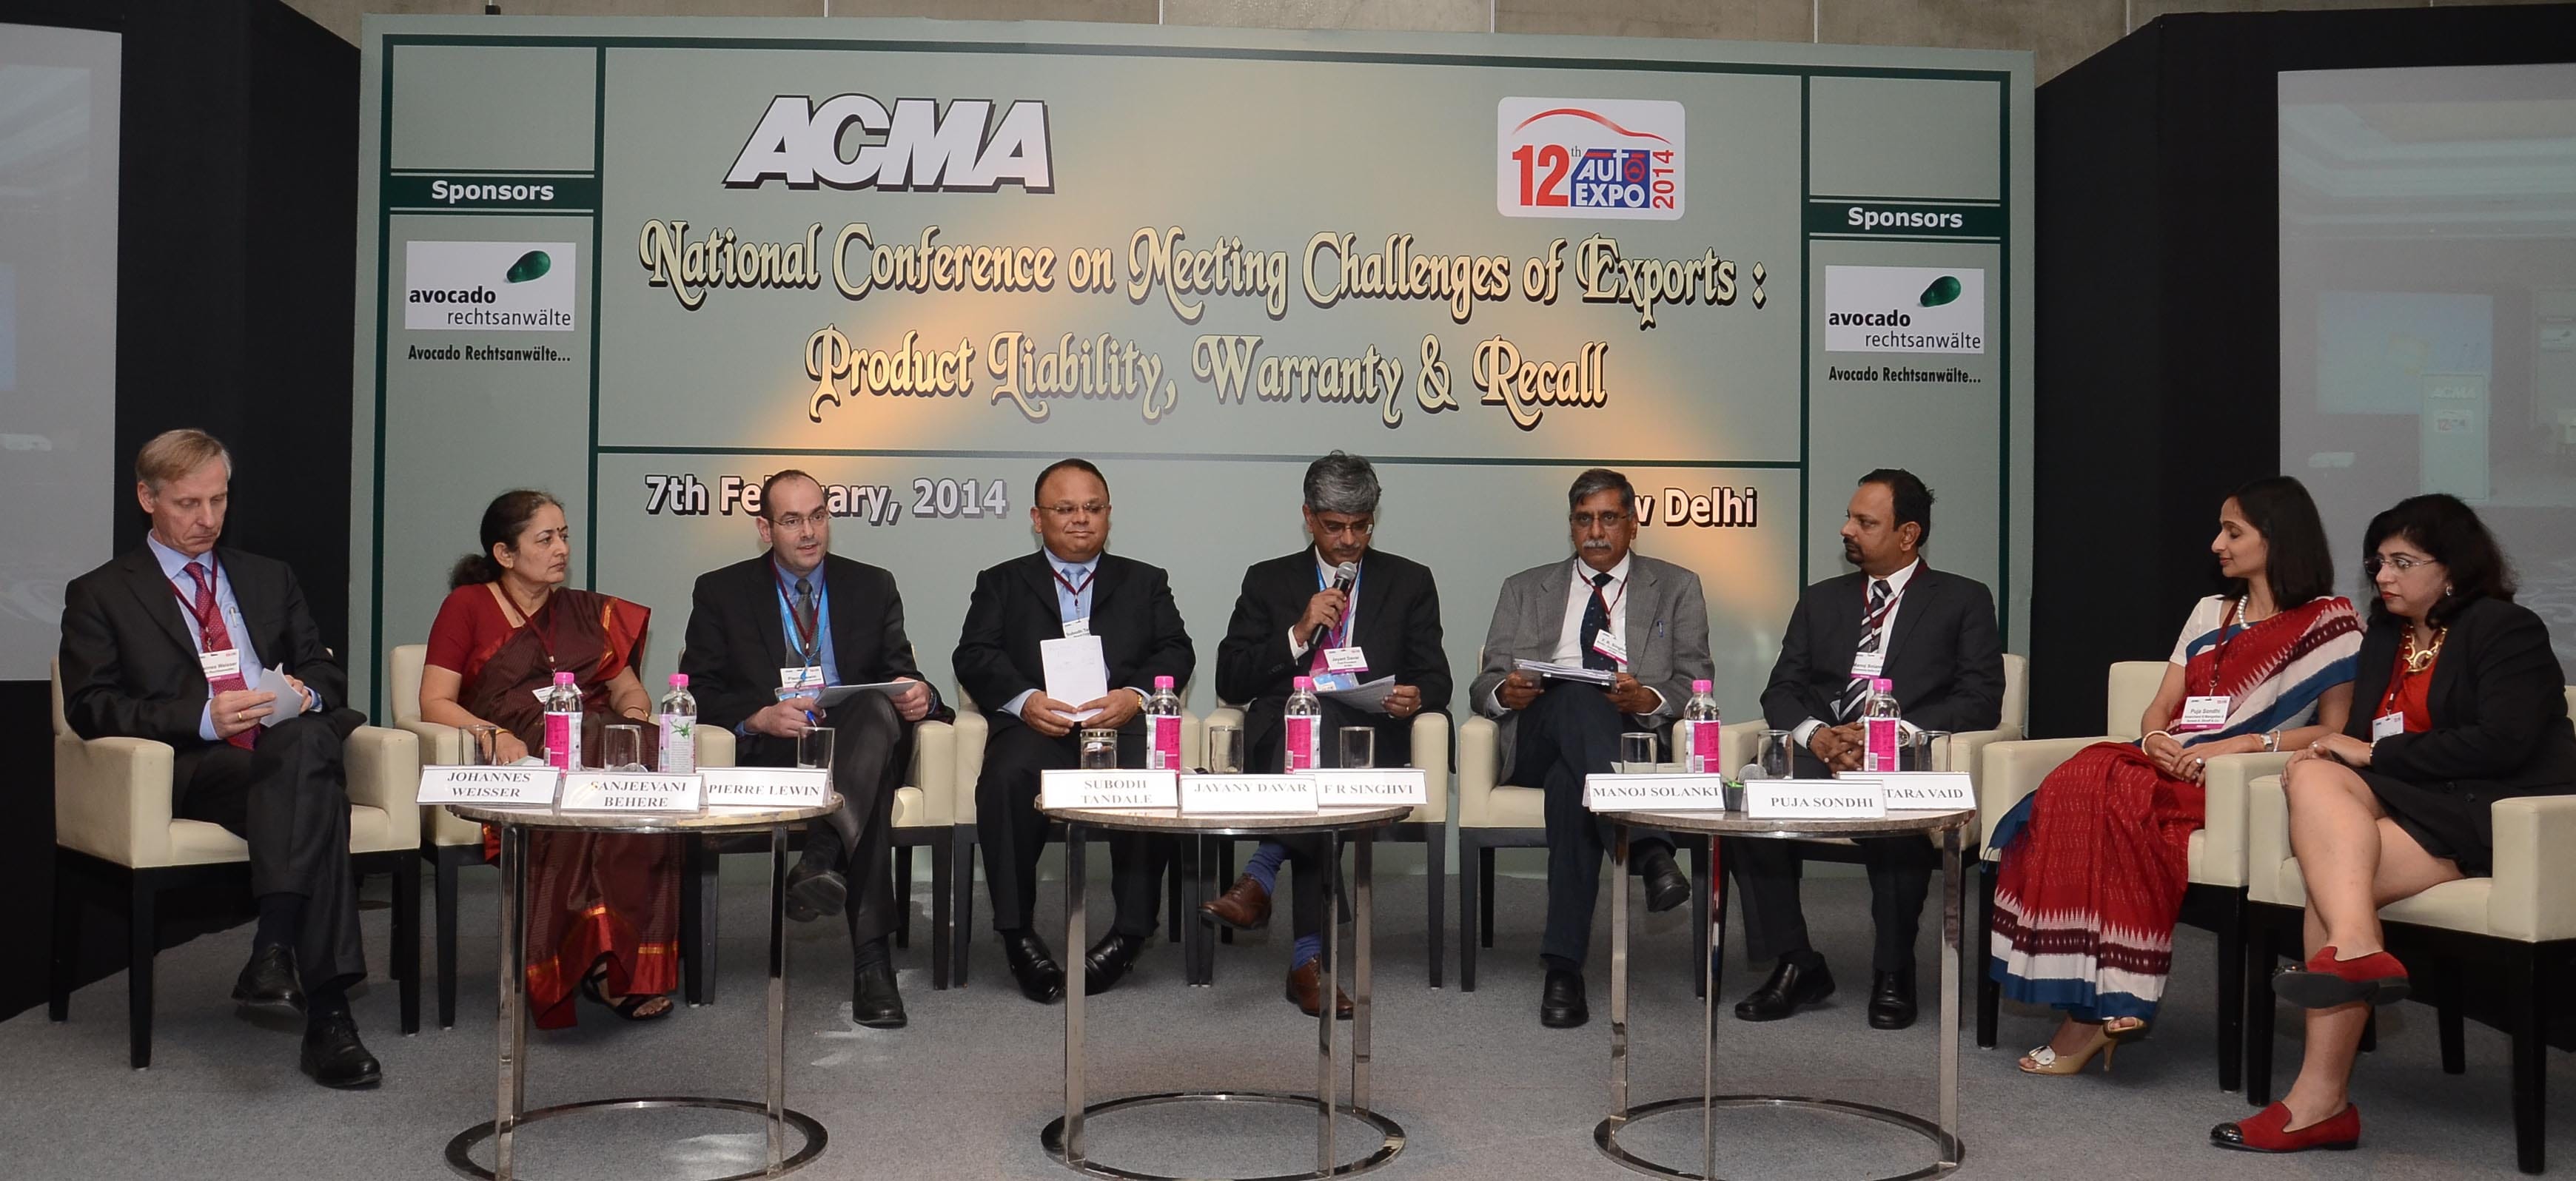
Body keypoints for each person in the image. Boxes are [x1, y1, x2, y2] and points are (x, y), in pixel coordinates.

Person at [2212, 494, 2576, 1154]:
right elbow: (2354, 734)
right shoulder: (2387, 634)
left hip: (2495, 812)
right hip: (2409, 798)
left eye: (2403, 562)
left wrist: (2376, 755)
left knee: (2328, 883)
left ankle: (2319, 1103)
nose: (2383, 576)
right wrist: (2337, 754)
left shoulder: (2505, 629)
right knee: (2311, 775)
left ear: (2453, 569)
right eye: (2378, 563)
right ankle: (2356, 950)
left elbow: (2504, 743)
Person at [1991, 477, 2361, 1074]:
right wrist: (2157, 741)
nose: (2217, 544)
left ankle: (2097, 1010)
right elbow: (2160, 708)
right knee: (2076, 783)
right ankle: (2101, 999)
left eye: (2233, 532)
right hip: (2166, 762)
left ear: (2276, 538)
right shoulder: (2210, 612)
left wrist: (2240, 744)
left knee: (2114, 797)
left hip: (2238, 779)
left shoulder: (2329, 621)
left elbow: (2334, 731)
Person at [57, 429, 382, 1088]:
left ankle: (276, 952)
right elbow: (92, 706)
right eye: (188, 503)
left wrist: (304, 692)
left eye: (219, 500)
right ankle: (326, 1012)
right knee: (318, 790)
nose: (207, 518)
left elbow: (326, 669)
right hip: (199, 764)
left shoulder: (269, 576)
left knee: (303, 749)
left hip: (283, 748)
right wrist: (203, 716)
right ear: (147, 497)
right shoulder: (101, 593)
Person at [1730, 468, 2003, 1031]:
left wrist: (1889, 732)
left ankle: (1894, 969)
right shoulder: (1821, 600)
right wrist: (1818, 735)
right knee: (1750, 805)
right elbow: (1781, 689)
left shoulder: (1962, 599)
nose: (1846, 530)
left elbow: (1980, 700)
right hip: (1823, 751)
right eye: (1849, 518)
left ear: (1908, 534)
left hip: (1902, 755)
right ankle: (1797, 963)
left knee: (1898, 819)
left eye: (1865, 522)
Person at [679, 470, 943, 1028]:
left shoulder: (871, 585)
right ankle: (872, 966)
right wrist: (758, 716)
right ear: (765, 528)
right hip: (778, 745)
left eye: (818, 516)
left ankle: (822, 859)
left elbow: (900, 672)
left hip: (858, 741)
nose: (808, 532)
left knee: (874, 715)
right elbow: (698, 689)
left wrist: (922, 694)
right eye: (792, 520)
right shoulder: (721, 591)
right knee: (866, 790)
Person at [417, 489, 680, 1028]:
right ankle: (587, 958)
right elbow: (434, 701)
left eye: (563, 535)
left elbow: (629, 692)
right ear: (505, 553)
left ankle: (621, 957)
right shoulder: (468, 606)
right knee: (585, 766)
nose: (561, 548)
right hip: (526, 753)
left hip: (600, 744)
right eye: (545, 539)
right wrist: (492, 733)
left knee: (645, 757)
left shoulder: (584, 612)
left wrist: (634, 720)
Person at [1210, 451, 1449, 1017]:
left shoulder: (1409, 581)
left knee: (1325, 739)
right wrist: (1297, 632)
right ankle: (1307, 962)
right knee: (1314, 733)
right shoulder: (1268, 580)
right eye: (1335, 526)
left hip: (1368, 739)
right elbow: (1230, 679)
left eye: (1361, 526)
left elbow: (1436, 676)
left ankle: (1261, 875)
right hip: (1282, 739)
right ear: (1309, 517)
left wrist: (1416, 696)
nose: (1349, 541)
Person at [1469, 468, 1708, 1029]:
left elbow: (1694, 682)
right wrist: (1506, 692)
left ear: (1633, 522)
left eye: (1608, 518)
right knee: (1576, 694)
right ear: (1571, 525)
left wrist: (1646, 696)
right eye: (1583, 520)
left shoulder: (1677, 586)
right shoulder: (1524, 588)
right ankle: (1650, 851)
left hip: (1627, 738)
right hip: (1539, 730)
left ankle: (1563, 970)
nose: (1595, 532)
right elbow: (1484, 683)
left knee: (1570, 785)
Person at [955, 458, 1195, 1003]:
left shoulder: (1145, 580)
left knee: (1153, 780)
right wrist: (1025, 701)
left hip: (1118, 725)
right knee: (1005, 778)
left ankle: (1130, 935)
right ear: (1037, 518)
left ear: (1109, 514)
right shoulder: (1002, 582)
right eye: (1065, 509)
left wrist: (1133, 696)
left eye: (1092, 508)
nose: (1080, 519)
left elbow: (1177, 650)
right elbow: (973, 654)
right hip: (1039, 726)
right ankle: (1016, 934)